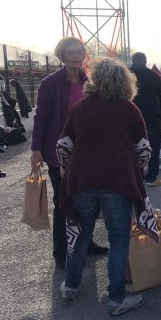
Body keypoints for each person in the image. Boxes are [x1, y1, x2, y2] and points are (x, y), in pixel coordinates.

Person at [56, 57, 150, 316]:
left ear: (95, 80)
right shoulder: (130, 110)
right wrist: (137, 168)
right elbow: (143, 149)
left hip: (82, 180)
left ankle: (71, 285)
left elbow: (63, 145)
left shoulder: (79, 108)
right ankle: (117, 298)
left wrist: (66, 166)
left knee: (81, 234)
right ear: (125, 82)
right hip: (118, 181)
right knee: (118, 237)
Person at [31, 37, 108, 270]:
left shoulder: (89, 81)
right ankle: (61, 253)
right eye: (71, 52)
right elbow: (41, 117)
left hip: (87, 151)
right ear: (61, 56)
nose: (76, 56)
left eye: (79, 51)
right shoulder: (50, 84)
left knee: (90, 201)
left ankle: (87, 243)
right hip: (59, 153)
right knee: (63, 202)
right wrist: (36, 149)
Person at [129, 52, 161, 187]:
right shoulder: (153, 75)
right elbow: (160, 94)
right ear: (145, 60)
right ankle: (151, 177)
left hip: (131, 114)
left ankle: (137, 177)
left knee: (132, 146)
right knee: (153, 146)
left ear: (133, 60)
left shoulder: (125, 75)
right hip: (152, 114)